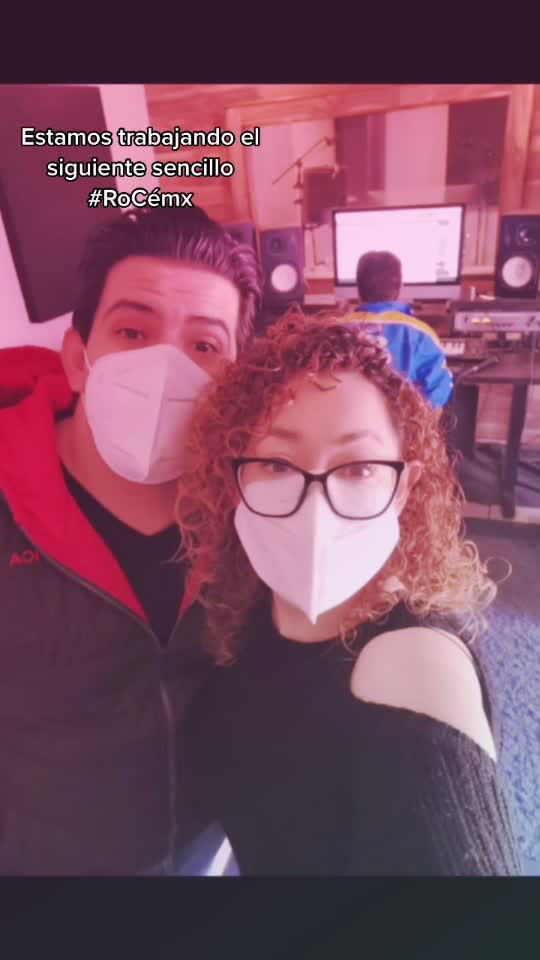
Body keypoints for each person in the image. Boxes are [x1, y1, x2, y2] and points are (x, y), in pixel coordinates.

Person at [176, 309, 521, 876]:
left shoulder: (412, 671)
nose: (317, 504)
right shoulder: (247, 614)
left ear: (403, 488)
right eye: (277, 463)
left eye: (358, 467)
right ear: (235, 481)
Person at [0, 205, 262, 874]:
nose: (164, 366)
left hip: (207, 849)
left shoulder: (264, 505)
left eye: (204, 347)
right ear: (78, 359)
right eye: (132, 331)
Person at [346, 250, 453, 408]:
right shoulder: (422, 334)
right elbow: (438, 390)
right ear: (400, 287)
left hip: (348, 420)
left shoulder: (334, 330)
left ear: (358, 290)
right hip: (402, 421)